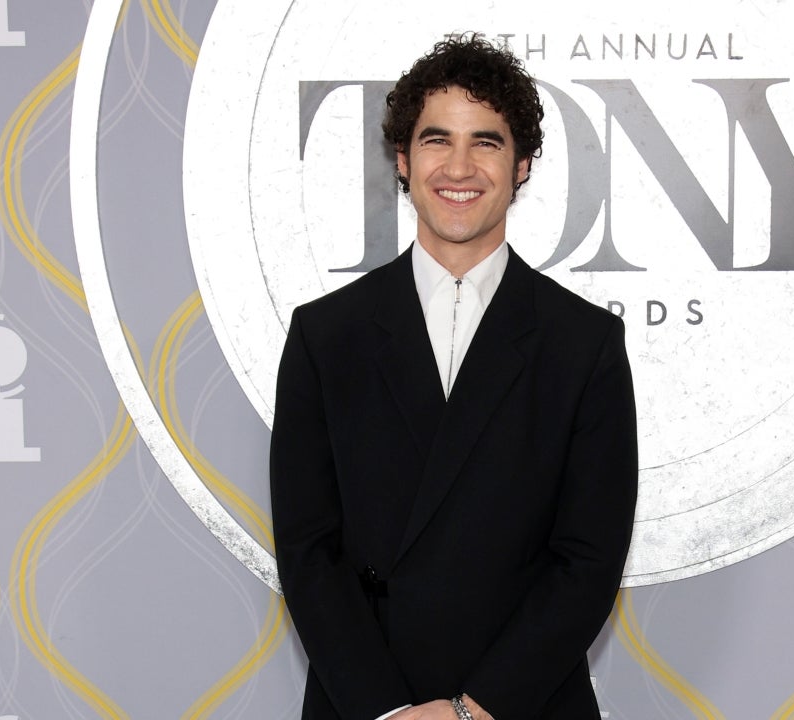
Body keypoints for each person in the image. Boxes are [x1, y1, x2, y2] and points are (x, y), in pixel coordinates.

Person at [270, 35, 639, 720]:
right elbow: (307, 550)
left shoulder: (583, 342)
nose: (459, 167)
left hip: (525, 702)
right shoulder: (327, 335)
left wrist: (474, 709)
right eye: (437, 140)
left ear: (521, 165)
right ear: (403, 161)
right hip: (365, 703)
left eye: (486, 143)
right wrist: (387, 709)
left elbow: (588, 559)